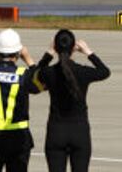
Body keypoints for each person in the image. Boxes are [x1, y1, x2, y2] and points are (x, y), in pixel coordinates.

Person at [0, 28, 48, 172]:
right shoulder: (24, 75)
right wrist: (30, 61)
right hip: (18, 138)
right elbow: (42, 83)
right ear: (18, 53)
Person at [37, 29, 110, 172]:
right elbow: (104, 72)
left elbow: (35, 73)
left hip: (56, 131)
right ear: (73, 49)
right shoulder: (82, 72)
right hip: (79, 131)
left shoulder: (49, 73)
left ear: (56, 48)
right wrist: (89, 52)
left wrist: (49, 53)